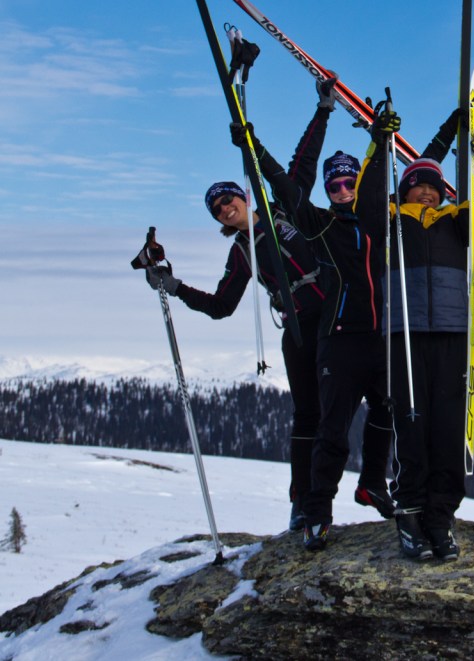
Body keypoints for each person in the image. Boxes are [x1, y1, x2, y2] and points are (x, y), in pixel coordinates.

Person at [143, 80, 387, 532]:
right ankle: (304, 503)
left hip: (338, 318)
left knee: (374, 403)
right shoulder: (242, 254)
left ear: (245, 195)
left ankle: (374, 480)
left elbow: (301, 164)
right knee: (310, 417)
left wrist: (323, 110)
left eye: (228, 198)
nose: (225, 208)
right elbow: (220, 306)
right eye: (217, 208)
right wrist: (174, 286)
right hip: (298, 331)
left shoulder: (287, 214)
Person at [234, 102, 401, 552]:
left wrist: (381, 139)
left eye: (349, 181)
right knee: (331, 429)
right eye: (336, 183)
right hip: (339, 340)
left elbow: (381, 176)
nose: (343, 188)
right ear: (327, 189)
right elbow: (286, 188)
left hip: (379, 337)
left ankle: (372, 484)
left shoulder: (375, 221)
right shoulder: (318, 224)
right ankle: (316, 513)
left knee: (387, 412)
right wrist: (253, 149)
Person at [373, 110, 474, 562]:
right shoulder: (390, 221)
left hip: (454, 335)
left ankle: (441, 516)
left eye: (433, 185)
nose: (427, 190)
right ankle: (409, 512)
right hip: (405, 336)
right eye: (417, 184)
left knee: (450, 430)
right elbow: (365, 202)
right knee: (412, 426)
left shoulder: (457, 221)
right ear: (404, 190)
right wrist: (379, 142)